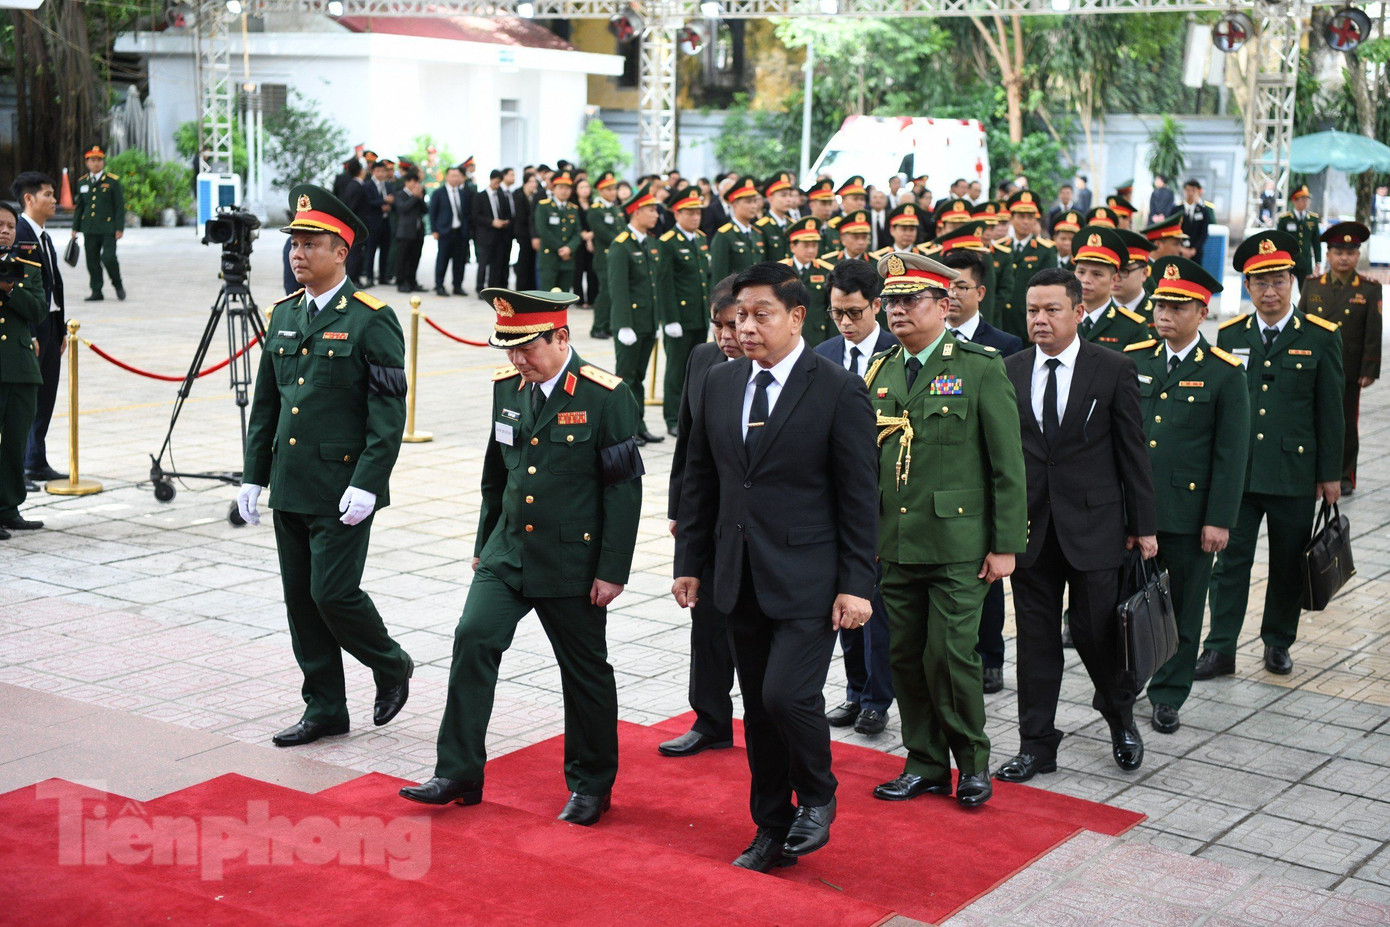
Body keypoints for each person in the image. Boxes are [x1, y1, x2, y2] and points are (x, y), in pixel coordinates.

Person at [401, 288, 642, 825]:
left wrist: (611, 571)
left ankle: (591, 784)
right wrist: (483, 545)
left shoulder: (606, 395)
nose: (516, 359)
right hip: (507, 553)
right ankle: (458, 771)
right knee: (473, 638)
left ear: (561, 338)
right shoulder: (506, 388)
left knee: (584, 672)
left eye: (526, 347)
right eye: (509, 348)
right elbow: (496, 474)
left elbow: (623, 490)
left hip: (572, 563)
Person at [672, 261, 877, 872]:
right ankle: (771, 826)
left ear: (796, 317)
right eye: (740, 316)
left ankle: (817, 794)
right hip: (738, 574)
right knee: (758, 710)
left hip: (809, 576)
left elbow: (860, 496)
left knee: (787, 694)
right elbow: (701, 479)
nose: (747, 328)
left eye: (761, 315)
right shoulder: (721, 381)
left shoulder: (836, 387)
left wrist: (856, 584)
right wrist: (691, 563)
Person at [237, 184, 414, 748]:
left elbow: (388, 415)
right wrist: (253, 474)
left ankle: (391, 663)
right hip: (291, 482)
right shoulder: (283, 314)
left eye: (311, 243)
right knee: (301, 602)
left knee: (332, 594)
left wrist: (369, 482)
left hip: (342, 488)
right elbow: (267, 404)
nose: (298, 253)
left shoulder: (372, 320)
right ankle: (325, 707)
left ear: (341, 252)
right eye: (294, 243)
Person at [864, 251, 1026, 807]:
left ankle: (972, 763)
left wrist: (1006, 545)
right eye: (891, 301)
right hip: (896, 542)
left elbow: (1008, 465)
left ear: (943, 304)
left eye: (910, 300)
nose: (897, 310)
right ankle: (925, 762)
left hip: (959, 545)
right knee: (905, 656)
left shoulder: (978, 367)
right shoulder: (881, 370)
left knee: (951, 656)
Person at [995, 267, 1156, 784]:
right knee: (1035, 643)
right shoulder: (1009, 370)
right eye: (1032, 311)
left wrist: (1143, 525)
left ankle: (1120, 719)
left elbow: (1133, 452)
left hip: (1095, 528)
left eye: (1052, 310)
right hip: (1031, 531)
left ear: (1078, 312)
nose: (1040, 320)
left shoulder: (1112, 369)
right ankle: (1035, 745)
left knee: (1097, 635)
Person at [1200, 231, 1344, 679]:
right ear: (1247, 286)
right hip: (1239, 476)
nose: (1269, 291)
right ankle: (1220, 648)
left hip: (1293, 473)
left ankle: (1278, 642)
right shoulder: (1230, 334)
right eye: (1260, 282)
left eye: (1278, 281)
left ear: (1292, 282)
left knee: (1287, 563)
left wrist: (1330, 474)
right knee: (1228, 564)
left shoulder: (1320, 337)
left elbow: (1331, 413)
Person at [1129, 257, 1249, 734]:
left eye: (1177, 307)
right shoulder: (1135, 359)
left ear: (1202, 312)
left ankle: (1168, 693)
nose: (1164, 314)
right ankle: (1127, 680)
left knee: (1181, 605)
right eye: (1160, 304)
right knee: (1125, 602)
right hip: (1133, 510)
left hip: (1187, 513)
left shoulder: (1224, 372)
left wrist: (1219, 519)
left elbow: (1231, 454)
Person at [659, 277, 742, 758]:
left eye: (734, 325)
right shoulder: (703, 358)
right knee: (706, 622)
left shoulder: (784, 367)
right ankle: (710, 720)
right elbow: (687, 443)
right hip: (709, 517)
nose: (727, 336)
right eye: (718, 325)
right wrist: (679, 510)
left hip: (761, 523)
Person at [816, 259, 897, 736]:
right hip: (831, 499)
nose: (845, 323)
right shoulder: (823, 353)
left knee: (875, 606)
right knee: (842, 600)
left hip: (880, 498)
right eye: (837, 313)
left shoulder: (897, 351)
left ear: (877, 306)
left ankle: (876, 699)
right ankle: (854, 689)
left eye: (854, 313)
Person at [939, 248, 1024, 694]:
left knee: (985, 580)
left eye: (961, 286)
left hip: (981, 477)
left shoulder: (1005, 346)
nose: (952, 295)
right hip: (938, 479)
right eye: (946, 287)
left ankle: (991, 657)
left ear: (981, 292)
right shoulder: (924, 342)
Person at [1298, 221, 1381, 494]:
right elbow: (1300, 324)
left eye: (1350, 252)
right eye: (1338, 252)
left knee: (1344, 424)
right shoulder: (1312, 285)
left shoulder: (1368, 289)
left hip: (1347, 369)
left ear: (1358, 255)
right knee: (1308, 419)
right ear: (1328, 254)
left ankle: (1345, 475)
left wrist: (1369, 368)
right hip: (1312, 366)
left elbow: (1373, 332)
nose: (1344, 258)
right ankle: (1310, 471)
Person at [10, 172, 66, 488]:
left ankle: (36, 461)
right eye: (48, 194)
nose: (54, 200)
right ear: (29, 199)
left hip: (51, 327)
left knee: (45, 397)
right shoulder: (18, 234)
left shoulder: (42, 235)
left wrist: (59, 329)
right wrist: (30, 333)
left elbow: (53, 285)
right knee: (24, 402)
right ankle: (17, 468)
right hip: (32, 329)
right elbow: (19, 289)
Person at [0, 200, 46, 536]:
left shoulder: (27, 266)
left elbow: (39, 311)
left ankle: (9, 508)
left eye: (10, 226)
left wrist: (11, 288)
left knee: (15, 443)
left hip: (20, 367)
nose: (5, 231)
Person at [608, 185, 666, 447]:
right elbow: (618, 287)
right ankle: (623, 429)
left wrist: (656, 321)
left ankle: (638, 425)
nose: (656, 214)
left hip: (646, 322)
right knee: (625, 379)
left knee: (638, 378)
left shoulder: (650, 243)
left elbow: (653, 286)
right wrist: (623, 324)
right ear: (636, 212)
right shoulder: (621, 245)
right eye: (651, 210)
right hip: (629, 324)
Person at [658, 186, 712, 438]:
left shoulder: (700, 239)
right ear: (677, 214)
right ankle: (673, 417)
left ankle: (691, 416)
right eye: (689, 213)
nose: (695, 217)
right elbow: (664, 283)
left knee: (698, 369)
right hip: (679, 318)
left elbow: (704, 279)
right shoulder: (668, 242)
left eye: (698, 212)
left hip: (698, 316)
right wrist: (670, 319)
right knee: (676, 370)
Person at [1071, 225, 1150, 351]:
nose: (1086, 280)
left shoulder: (1132, 327)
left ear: (1114, 280)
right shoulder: (1063, 319)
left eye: (1097, 274)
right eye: (1081, 272)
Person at [71, 146, 126, 302]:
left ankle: (118, 284)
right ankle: (96, 290)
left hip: (108, 228)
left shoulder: (112, 181)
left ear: (103, 162)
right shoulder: (82, 182)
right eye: (92, 160)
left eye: (99, 160)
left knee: (108, 257)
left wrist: (119, 228)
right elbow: (80, 207)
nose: (96, 163)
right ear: (87, 162)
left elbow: (119, 207)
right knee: (92, 261)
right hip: (89, 228)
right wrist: (75, 228)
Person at [1000, 190, 1058, 341]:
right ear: (1011, 218)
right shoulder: (1000, 249)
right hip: (1001, 321)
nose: (1026, 221)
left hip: (1028, 321)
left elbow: (1049, 289)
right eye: (1021, 216)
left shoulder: (1045, 250)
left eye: (1030, 217)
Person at [779, 217, 835, 347]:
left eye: (814, 245)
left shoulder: (826, 271)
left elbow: (831, 307)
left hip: (817, 335)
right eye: (806, 245)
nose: (811, 250)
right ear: (793, 247)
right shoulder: (781, 270)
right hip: (787, 335)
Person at [709, 177, 765, 284]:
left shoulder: (757, 234)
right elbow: (719, 278)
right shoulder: (725, 235)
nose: (753, 206)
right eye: (748, 202)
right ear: (734, 205)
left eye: (755, 201)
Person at [588, 171, 623, 338]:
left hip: (616, 256)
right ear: (600, 191)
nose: (612, 192)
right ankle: (598, 326)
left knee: (613, 293)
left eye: (614, 188)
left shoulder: (615, 209)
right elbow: (602, 232)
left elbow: (622, 229)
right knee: (605, 292)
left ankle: (608, 325)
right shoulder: (596, 210)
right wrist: (621, 242)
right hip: (604, 257)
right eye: (608, 189)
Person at [536, 172, 582, 292]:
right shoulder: (544, 206)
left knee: (564, 296)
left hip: (567, 259)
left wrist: (569, 248)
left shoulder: (573, 209)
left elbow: (577, 233)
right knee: (547, 296)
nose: (564, 191)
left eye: (567, 188)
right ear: (553, 188)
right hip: (549, 258)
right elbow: (543, 231)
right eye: (561, 187)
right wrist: (561, 248)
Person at [428, 165, 470, 297]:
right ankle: (439, 285)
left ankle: (457, 286)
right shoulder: (438, 193)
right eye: (453, 176)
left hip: (460, 232)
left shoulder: (463, 193)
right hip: (445, 232)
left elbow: (466, 213)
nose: (455, 178)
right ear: (447, 177)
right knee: (443, 260)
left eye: (457, 176)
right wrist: (434, 230)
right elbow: (432, 213)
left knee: (459, 261)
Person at [472, 169, 515, 295]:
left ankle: (493, 288)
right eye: (496, 182)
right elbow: (475, 216)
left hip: (499, 235)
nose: (497, 185)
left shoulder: (501, 196)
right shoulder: (480, 196)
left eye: (499, 183)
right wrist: (491, 222)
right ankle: (480, 288)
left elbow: (505, 212)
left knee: (496, 263)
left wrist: (504, 222)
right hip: (485, 235)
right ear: (491, 180)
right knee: (483, 263)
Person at [390, 169, 426, 293]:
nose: (416, 185)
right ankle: (401, 282)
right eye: (413, 182)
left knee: (415, 258)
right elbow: (403, 209)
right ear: (407, 182)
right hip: (405, 231)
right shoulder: (400, 194)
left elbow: (425, 210)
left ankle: (412, 281)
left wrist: (420, 198)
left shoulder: (418, 195)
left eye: (417, 182)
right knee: (403, 259)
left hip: (418, 231)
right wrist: (414, 197)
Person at [1278, 184, 1322, 282]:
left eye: (1307, 199)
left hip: (1305, 261)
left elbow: (1316, 242)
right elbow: (1279, 241)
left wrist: (1318, 261)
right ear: (1294, 200)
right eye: (1302, 199)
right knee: (1285, 285)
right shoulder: (1285, 219)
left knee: (1306, 287)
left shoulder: (1313, 219)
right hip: (1289, 260)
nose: (1305, 202)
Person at [362, 160, 394, 287]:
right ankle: (369, 277)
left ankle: (382, 276)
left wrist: (389, 205)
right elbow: (368, 202)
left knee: (385, 250)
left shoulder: (388, 185)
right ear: (373, 172)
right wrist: (383, 201)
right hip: (373, 223)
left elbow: (392, 200)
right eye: (378, 171)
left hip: (386, 222)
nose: (381, 173)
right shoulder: (368, 185)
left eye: (383, 171)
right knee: (371, 250)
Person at [757, 172, 797, 263]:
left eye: (790, 195)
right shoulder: (761, 227)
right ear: (770, 198)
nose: (788, 199)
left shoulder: (793, 225)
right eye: (783, 195)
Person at [574, 178, 599, 308]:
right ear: (576, 190)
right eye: (582, 187)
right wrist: (583, 235)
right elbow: (574, 224)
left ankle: (591, 299)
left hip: (593, 241)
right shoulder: (573, 205)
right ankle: (579, 299)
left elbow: (597, 223)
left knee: (592, 270)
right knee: (577, 271)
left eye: (587, 187)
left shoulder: (594, 205)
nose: (585, 190)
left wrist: (591, 236)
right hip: (578, 241)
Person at [511, 173, 537, 291]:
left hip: (532, 234)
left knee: (531, 262)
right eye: (531, 181)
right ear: (525, 183)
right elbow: (521, 217)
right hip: (523, 234)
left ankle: (531, 288)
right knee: (523, 261)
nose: (534, 184)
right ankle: (521, 288)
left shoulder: (534, 196)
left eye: (535, 182)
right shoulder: (519, 196)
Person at [1179, 180, 1212, 261]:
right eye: (1188, 190)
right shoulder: (1177, 210)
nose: (1190, 193)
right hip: (1179, 252)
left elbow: (1204, 233)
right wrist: (1181, 249)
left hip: (1196, 253)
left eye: (1193, 190)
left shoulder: (1203, 211)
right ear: (1184, 191)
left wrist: (1194, 249)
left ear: (1198, 192)